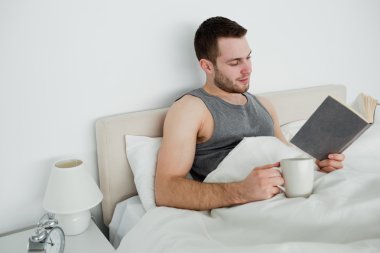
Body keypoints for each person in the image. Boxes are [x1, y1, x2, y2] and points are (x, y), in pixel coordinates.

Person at [154, 16, 344, 210]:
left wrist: (317, 166)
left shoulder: (264, 105)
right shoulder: (191, 109)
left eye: (248, 57)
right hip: (248, 205)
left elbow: (286, 159)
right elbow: (165, 190)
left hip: (286, 196)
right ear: (207, 66)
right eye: (235, 62)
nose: (248, 69)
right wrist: (242, 191)